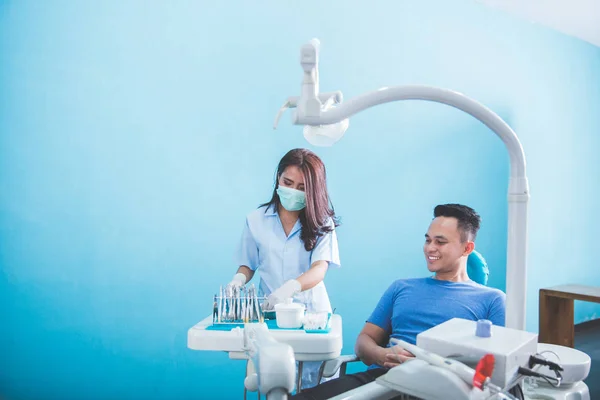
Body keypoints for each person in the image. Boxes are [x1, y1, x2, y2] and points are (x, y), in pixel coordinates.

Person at [291, 204, 506, 399]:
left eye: (440, 242)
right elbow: (364, 341)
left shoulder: (492, 300)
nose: (430, 248)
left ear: (467, 248)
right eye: (428, 240)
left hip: (443, 389)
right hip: (384, 378)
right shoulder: (402, 288)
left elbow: (498, 370)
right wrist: (381, 354)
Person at [229, 148, 341, 389]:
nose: (293, 191)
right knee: (273, 382)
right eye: (287, 183)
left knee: (313, 386)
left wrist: (290, 287)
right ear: (277, 179)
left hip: (310, 317)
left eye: (302, 187)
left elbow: (319, 269)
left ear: (313, 189)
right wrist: (239, 278)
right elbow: (248, 264)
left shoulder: (322, 222)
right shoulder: (256, 219)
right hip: (269, 315)